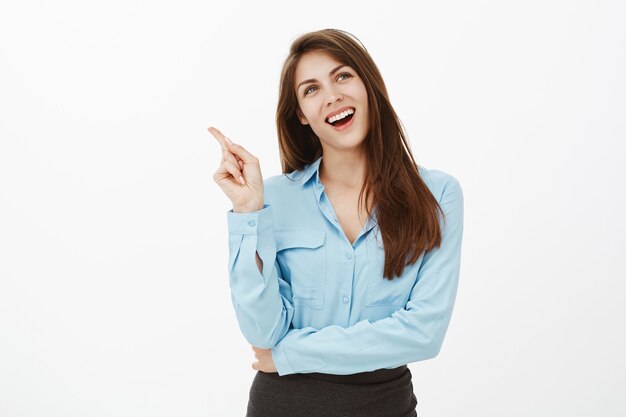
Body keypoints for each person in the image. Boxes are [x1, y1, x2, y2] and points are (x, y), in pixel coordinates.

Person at [209, 28, 464, 417]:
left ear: (368, 84)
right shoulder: (272, 200)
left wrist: (290, 353)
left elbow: (424, 333)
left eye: (343, 75)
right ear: (302, 115)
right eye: (311, 89)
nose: (332, 96)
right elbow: (262, 333)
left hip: (385, 406)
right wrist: (248, 213)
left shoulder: (437, 195)